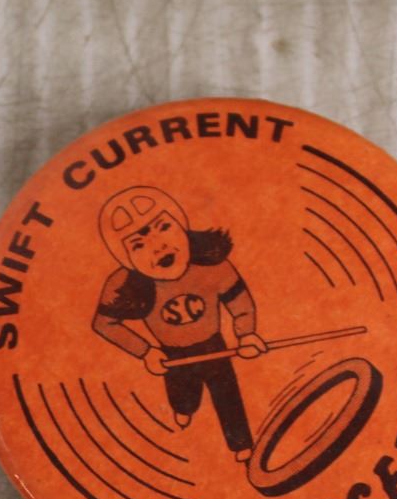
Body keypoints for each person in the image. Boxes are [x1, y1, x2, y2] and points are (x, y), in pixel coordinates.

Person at [90, 186, 267, 459]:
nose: (159, 245)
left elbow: (238, 301)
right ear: (126, 259)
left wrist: (246, 334)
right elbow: (104, 324)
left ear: (181, 225)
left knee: (227, 395)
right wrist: (145, 352)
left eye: (164, 227)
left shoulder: (212, 263)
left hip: (215, 346)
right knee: (183, 397)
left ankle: (241, 445)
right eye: (138, 244)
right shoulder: (122, 285)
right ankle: (184, 410)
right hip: (172, 355)